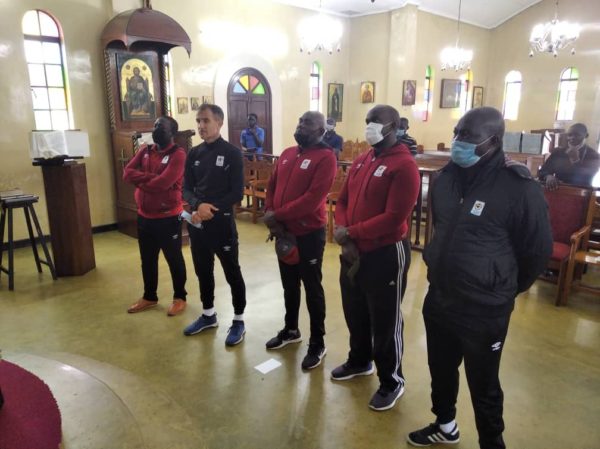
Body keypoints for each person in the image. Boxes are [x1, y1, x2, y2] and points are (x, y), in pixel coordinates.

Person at [407, 107, 552, 448]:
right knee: (441, 368)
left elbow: (537, 250)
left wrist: (503, 286)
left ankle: (491, 441)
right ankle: (445, 425)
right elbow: (443, 230)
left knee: (483, 383)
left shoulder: (518, 187)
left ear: (494, 142)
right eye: (457, 132)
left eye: (468, 136)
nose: (458, 141)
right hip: (441, 296)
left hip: (484, 307)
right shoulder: (445, 179)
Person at [331, 105, 420, 411]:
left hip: (385, 252)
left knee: (385, 321)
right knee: (355, 310)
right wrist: (344, 231)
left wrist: (352, 232)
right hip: (352, 251)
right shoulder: (362, 160)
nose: (369, 126)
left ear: (393, 126)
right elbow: (343, 200)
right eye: (367, 120)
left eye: (376, 122)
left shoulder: (404, 165)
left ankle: (391, 380)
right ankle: (360, 361)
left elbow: (394, 218)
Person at [263, 111, 337, 370]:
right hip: (284, 232)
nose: (301, 126)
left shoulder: (326, 157)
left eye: (308, 123)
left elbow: (312, 200)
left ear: (321, 131)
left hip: (308, 234)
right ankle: (291, 329)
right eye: (300, 121)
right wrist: (271, 214)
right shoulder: (287, 153)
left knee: (312, 287)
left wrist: (277, 215)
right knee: (289, 284)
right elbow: (272, 186)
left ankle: (318, 342)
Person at [182, 104, 247, 347]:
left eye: (206, 120)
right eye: (198, 121)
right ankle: (208, 315)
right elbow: (186, 188)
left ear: (219, 122)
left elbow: (237, 192)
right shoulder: (194, 153)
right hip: (199, 224)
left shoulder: (232, 153)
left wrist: (211, 208)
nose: (201, 126)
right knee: (203, 271)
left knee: (232, 272)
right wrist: (198, 205)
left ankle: (238, 320)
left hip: (222, 224)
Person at [123, 116, 188, 317]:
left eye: (161, 127)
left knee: (174, 258)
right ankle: (149, 296)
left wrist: (140, 181)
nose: (156, 129)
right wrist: (150, 178)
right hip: (144, 216)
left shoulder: (178, 154)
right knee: (147, 259)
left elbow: (163, 183)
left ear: (172, 132)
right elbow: (127, 173)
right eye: (155, 126)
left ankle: (180, 297)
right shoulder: (145, 150)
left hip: (168, 217)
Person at [538, 123, 600, 189]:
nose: (572, 138)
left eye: (577, 135)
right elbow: (543, 171)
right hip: (558, 190)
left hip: (581, 192)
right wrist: (548, 176)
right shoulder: (558, 152)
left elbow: (588, 178)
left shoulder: (594, 155)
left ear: (586, 135)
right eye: (569, 135)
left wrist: (575, 160)